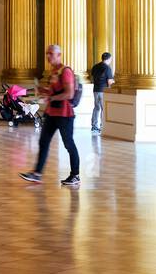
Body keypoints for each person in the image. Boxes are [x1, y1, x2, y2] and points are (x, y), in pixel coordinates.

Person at [20, 44, 81, 187]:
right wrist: (44, 91)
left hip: (64, 114)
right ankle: (37, 174)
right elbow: (53, 91)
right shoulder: (54, 72)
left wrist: (51, 98)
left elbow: (69, 93)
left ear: (59, 55)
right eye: (47, 53)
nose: (48, 56)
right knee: (43, 142)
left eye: (51, 53)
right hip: (52, 112)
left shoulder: (65, 71)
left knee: (68, 144)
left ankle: (75, 175)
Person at [90, 51, 114, 133]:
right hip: (103, 91)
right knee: (104, 109)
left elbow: (92, 78)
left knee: (96, 108)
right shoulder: (107, 68)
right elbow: (110, 81)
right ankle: (102, 126)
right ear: (109, 59)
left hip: (96, 90)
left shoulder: (95, 66)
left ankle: (94, 126)